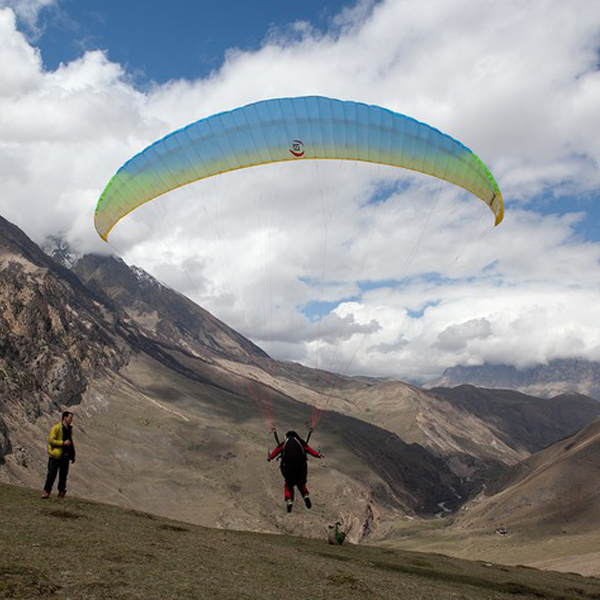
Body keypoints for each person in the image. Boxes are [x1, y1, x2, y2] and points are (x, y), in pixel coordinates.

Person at [267, 430, 322, 513]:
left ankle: (289, 500)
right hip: (301, 468)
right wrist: (318, 455)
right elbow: (309, 450)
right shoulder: (300, 442)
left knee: (288, 485)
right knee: (301, 484)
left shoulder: (284, 443)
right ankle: (306, 496)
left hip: (288, 469)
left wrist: (270, 457)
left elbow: (276, 451)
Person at [41, 411, 76, 499]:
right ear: (64, 417)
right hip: (55, 456)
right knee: (51, 474)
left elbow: (71, 442)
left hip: (65, 456)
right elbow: (51, 440)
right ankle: (46, 491)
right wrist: (63, 443)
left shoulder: (69, 429)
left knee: (63, 476)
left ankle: (61, 492)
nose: (71, 419)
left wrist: (72, 455)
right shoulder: (56, 428)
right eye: (70, 417)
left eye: (72, 418)